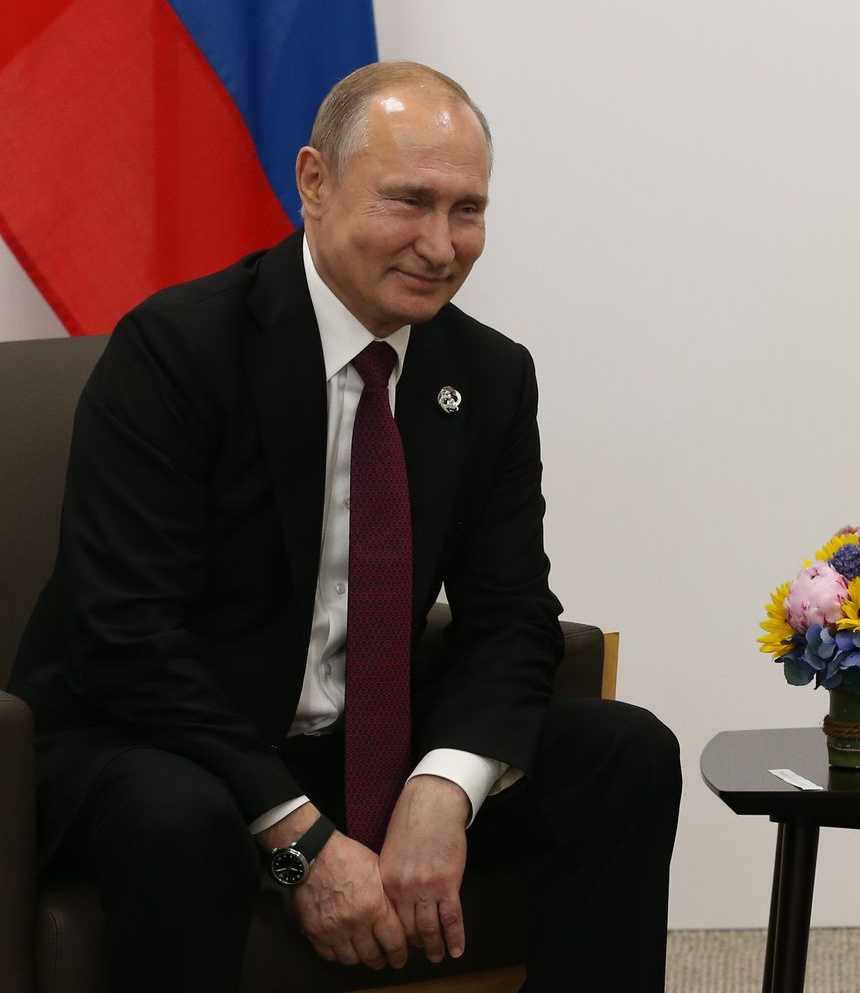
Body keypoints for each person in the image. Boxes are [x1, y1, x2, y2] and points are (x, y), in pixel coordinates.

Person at [9, 61, 680, 992]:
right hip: (156, 745)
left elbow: (512, 613)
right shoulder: (177, 348)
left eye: (467, 210)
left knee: (624, 753)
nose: (441, 247)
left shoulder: (487, 375)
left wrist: (444, 787)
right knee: (179, 814)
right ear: (314, 184)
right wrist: (301, 838)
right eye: (408, 202)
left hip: (364, 746)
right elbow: (125, 635)